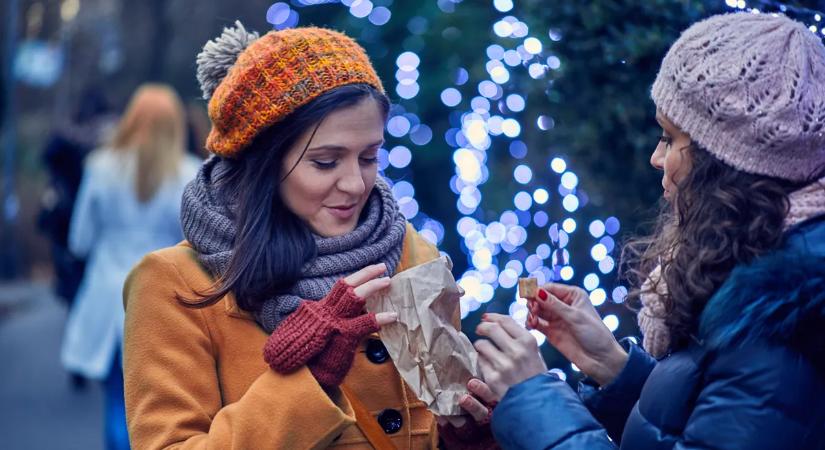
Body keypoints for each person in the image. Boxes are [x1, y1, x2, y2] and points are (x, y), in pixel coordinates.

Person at [122, 23, 495, 449]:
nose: (356, 184)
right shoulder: (172, 284)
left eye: (369, 156)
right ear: (262, 161)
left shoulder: (411, 250)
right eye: (325, 162)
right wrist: (309, 383)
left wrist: (469, 436)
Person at [467, 12, 825, 450]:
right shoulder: (761, 274)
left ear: (726, 163)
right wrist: (615, 368)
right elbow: (700, 425)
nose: (657, 157)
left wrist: (531, 397)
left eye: (671, 138)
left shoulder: (778, 334)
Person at [61, 83, 201, 450]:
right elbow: (195, 245)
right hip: (164, 302)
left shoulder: (100, 167)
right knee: (154, 406)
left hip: (107, 298)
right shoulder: (189, 173)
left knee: (115, 400)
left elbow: (80, 240)